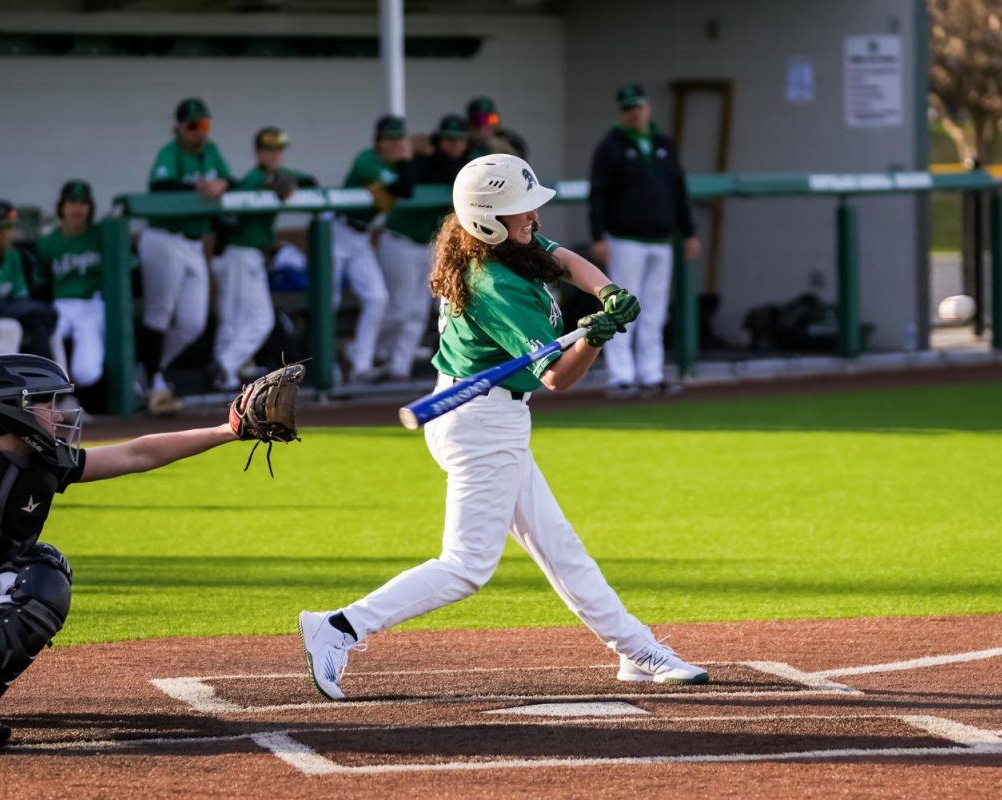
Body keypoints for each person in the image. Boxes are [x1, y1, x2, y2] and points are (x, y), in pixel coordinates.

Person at [298, 155, 708, 701]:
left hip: (487, 415)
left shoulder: (504, 243)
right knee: (466, 567)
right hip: (481, 423)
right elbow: (558, 378)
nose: (534, 214)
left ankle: (637, 651)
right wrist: (594, 339)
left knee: (559, 547)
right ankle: (340, 627)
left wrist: (605, 292)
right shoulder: (495, 283)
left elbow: (562, 260)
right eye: (522, 208)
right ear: (489, 220)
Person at [0, 353, 248, 753]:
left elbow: (137, 454)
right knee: (32, 587)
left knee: (42, 569)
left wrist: (228, 430)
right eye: (47, 402)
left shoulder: (43, 462)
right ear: (13, 409)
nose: (60, 413)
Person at [589, 83, 700, 398]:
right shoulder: (610, 146)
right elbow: (598, 194)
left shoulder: (664, 143)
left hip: (661, 238)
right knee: (622, 305)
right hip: (625, 238)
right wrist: (597, 235)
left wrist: (689, 230)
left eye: (638, 106)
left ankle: (651, 373)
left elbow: (679, 189)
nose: (635, 113)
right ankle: (621, 375)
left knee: (655, 310)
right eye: (628, 108)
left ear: (648, 108)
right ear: (621, 112)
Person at [138, 97, 233, 415]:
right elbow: (159, 186)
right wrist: (198, 186)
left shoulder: (211, 151)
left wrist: (222, 183)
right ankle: (153, 383)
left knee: (193, 323)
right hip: (164, 237)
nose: (198, 132)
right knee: (160, 314)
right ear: (179, 127)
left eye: (203, 125)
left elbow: (231, 180)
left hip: (194, 242)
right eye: (192, 126)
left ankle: (149, 369)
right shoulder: (170, 152)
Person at [210, 126, 317, 390]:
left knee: (234, 319)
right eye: (269, 150)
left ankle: (226, 372)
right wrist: (271, 187)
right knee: (260, 319)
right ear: (258, 152)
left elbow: (310, 182)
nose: (275, 155)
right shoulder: (252, 178)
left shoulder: (280, 175)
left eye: (279, 150)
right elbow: (238, 208)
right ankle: (225, 364)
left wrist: (291, 184)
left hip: (244, 255)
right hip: (240, 253)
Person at [377, 114, 475, 382]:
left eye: (459, 141)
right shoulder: (424, 162)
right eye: (448, 140)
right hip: (401, 240)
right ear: (438, 140)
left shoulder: (465, 166)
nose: (454, 146)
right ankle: (364, 351)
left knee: (418, 310)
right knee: (398, 308)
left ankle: (399, 366)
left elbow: (459, 171)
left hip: (429, 246)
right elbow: (419, 177)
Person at [334, 115, 415, 382]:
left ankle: (360, 363)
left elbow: (406, 187)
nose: (395, 145)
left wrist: (404, 163)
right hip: (335, 231)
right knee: (328, 302)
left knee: (378, 298)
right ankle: (324, 365)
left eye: (399, 139)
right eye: (389, 140)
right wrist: (405, 161)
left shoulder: (396, 165)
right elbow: (403, 187)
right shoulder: (367, 159)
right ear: (378, 142)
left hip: (361, 237)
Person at [34, 180, 106, 412]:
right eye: (72, 202)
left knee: (87, 372)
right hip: (61, 304)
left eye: (83, 203)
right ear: (62, 207)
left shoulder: (103, 235)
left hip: (92, 304)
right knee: (46, 330)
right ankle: (59, 398)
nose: (77, 208)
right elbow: (41, 281)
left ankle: (73, 398)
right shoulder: (47, 243)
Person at [0, 199, 58, 362]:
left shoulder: (13, 255)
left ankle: (57, 381)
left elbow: (21, 300)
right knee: (11, 328)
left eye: (8, 227)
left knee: (46, 325)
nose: (3, 233)